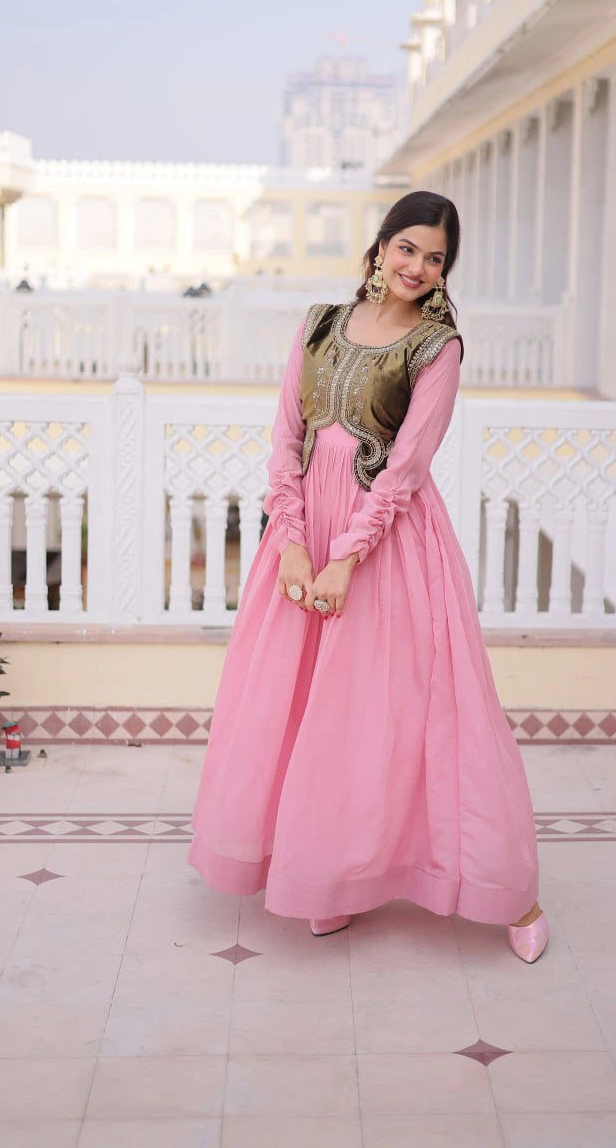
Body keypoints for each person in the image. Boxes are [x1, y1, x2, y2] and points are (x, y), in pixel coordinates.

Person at [188, 190, 548, 963]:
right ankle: (328, 879)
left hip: (386, 543)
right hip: (303, 534)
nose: (417, 266)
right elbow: (286, 439)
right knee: (309, 712)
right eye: (407, 248)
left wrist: (346, 558)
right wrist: (292, 544)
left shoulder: (436, 347)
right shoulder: (318, 323)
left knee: (416, 711)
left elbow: (407, 467)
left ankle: (509, 894)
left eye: (435, 258)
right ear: (380, 247)